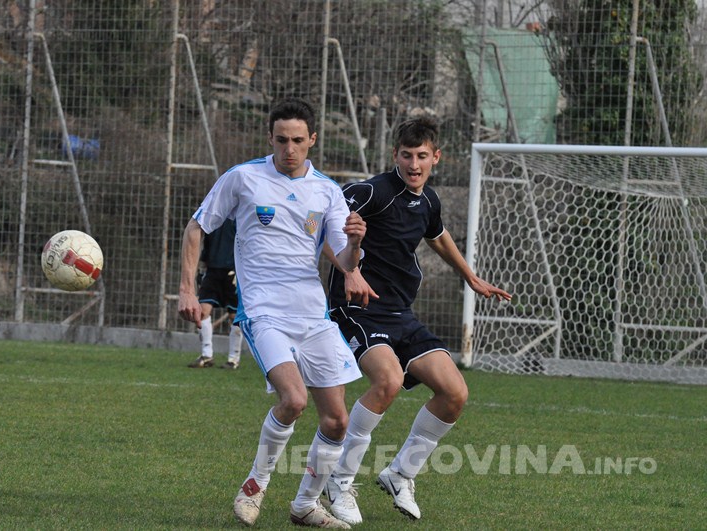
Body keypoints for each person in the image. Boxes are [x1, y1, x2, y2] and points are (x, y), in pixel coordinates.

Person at [178, 97, 365, 529]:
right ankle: (255, 485)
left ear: (312, 140)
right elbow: (196, 227)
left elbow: (344, 259)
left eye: (298, 140)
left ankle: (304, 505)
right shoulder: (243, 178)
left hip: (312, 315)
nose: (289, 149)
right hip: (263, 312)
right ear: (271, 138)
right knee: (294, 399)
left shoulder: (328, 192)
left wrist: (355, 244)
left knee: (337, 420)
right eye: (281, 140)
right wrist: (187, 289)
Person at [322, 117, 512, 525]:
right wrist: (349, 269)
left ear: (435, 157)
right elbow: (324, 218)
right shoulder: (371, 191)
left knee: (454, 392)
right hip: (356, 309)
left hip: (399, 313)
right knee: (387, 381)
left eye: (421, 156)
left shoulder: (428, 201)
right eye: (406, 155)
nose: (413, 164)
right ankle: (339, 480)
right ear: (395, 155)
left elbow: (438, 235)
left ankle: (400, 474)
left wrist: (470, 276)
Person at [187, 218, 244, 370]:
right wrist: (203, 265)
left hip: (233, 270)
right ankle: (207, 355)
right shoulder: (214, 214)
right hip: (212, 270)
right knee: (203, 311)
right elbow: (205, 241)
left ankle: (233, 359)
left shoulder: (239, 214)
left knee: (234, 316)